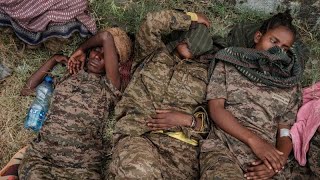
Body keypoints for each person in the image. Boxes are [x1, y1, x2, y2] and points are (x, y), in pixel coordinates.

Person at [108, 9, 216, 179]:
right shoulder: (153, 53)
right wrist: (191, 18)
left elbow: (217, 117)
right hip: (140, 136)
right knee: (138, 172)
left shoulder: (207, 73)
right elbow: (152, 22)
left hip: (184, 153)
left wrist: (189, 120)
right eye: (188, 40)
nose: (192, 45)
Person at [200, 11, 306, 179]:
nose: (277, 51)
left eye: (284, 48)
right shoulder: (230, 63)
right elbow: (216, 109)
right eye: (273, 41)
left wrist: (279, 161)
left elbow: (285, 131)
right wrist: (255, 142)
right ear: (258, 37)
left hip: (266, 161)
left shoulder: (289, 84)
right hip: (224, 150)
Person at [18, 27, 132, 180]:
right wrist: (54, 60)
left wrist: (80, 49)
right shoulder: (70, 75)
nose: (97, 56)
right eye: (96, 50)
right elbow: (27, 89)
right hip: (43, 158)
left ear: (115, 64)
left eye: (106, 55)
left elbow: (106, 37)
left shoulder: (110, 87)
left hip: (81, 168)